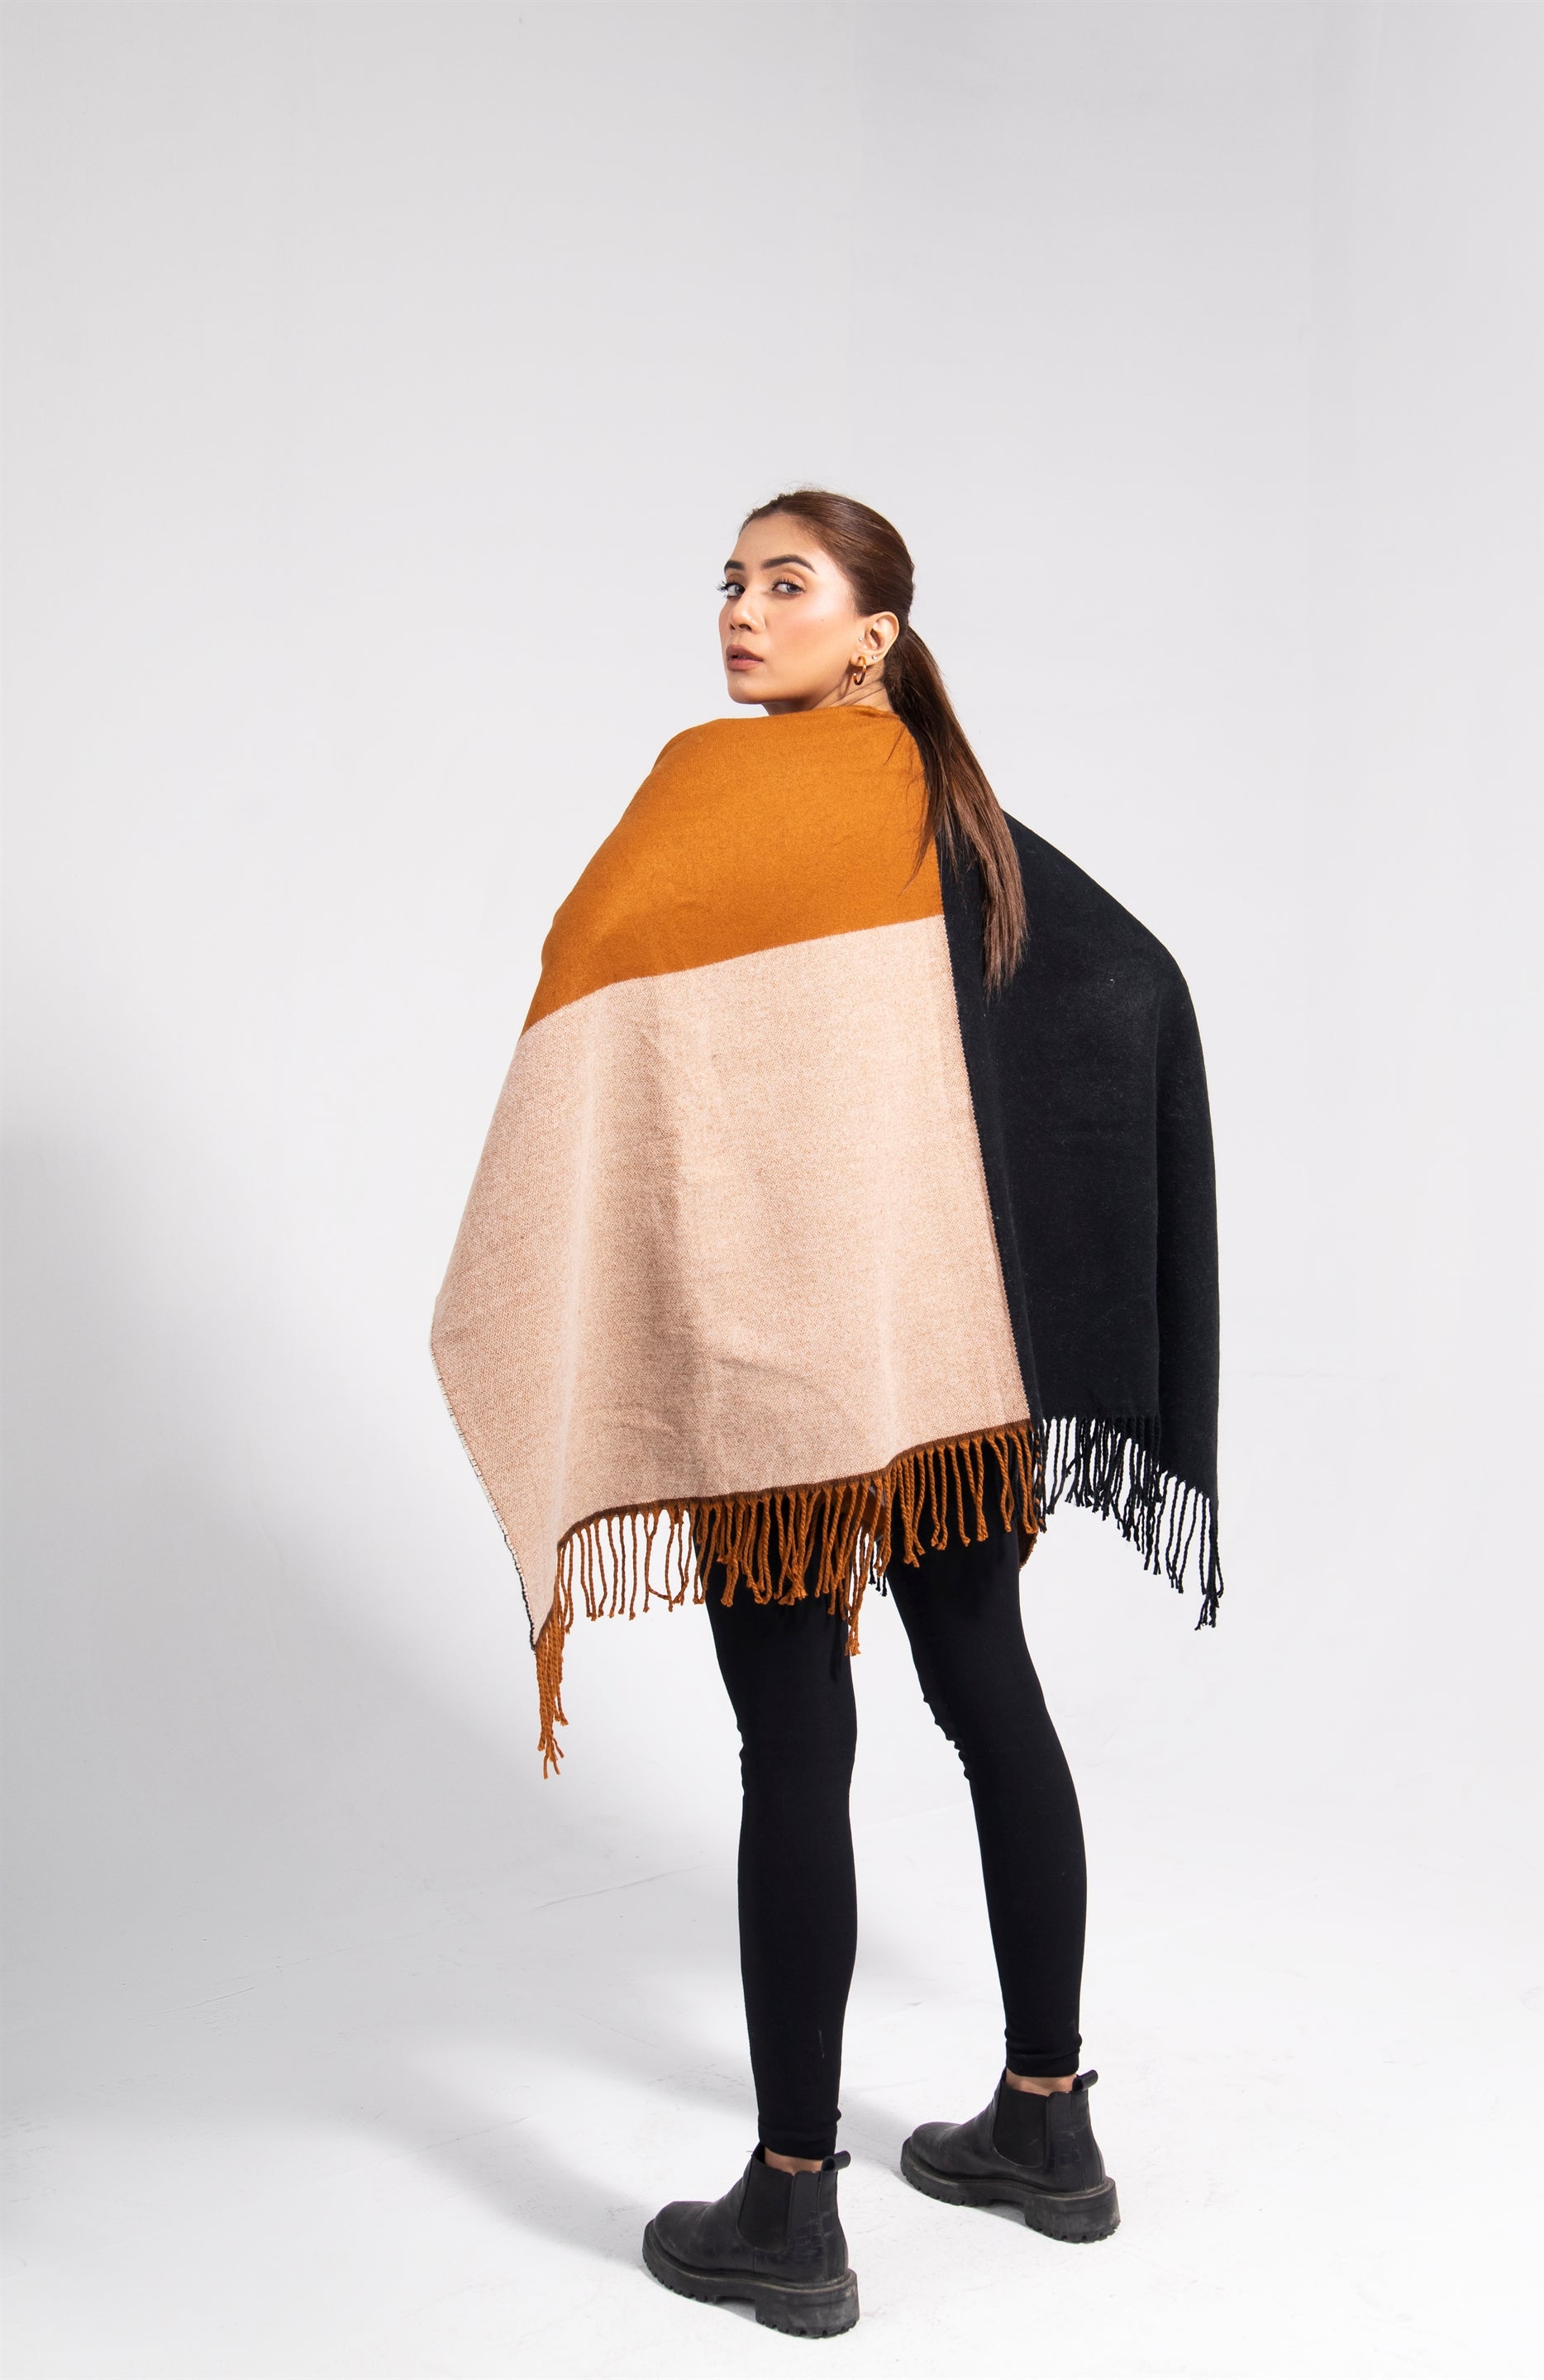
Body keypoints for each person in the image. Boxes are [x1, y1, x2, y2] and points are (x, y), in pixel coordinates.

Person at [432, 490, 1222, 2340]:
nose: (742, 609)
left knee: (793, 1745)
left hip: (776, 1372)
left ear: (874, 631)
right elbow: (1131, 986)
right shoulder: (954, 813)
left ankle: (793, 2210)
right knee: (989, 1695)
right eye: (731, 582)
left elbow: (584, 982)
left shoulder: (704, 791)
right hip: (952, 1371)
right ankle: (1050, 2127)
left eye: (786, 583)